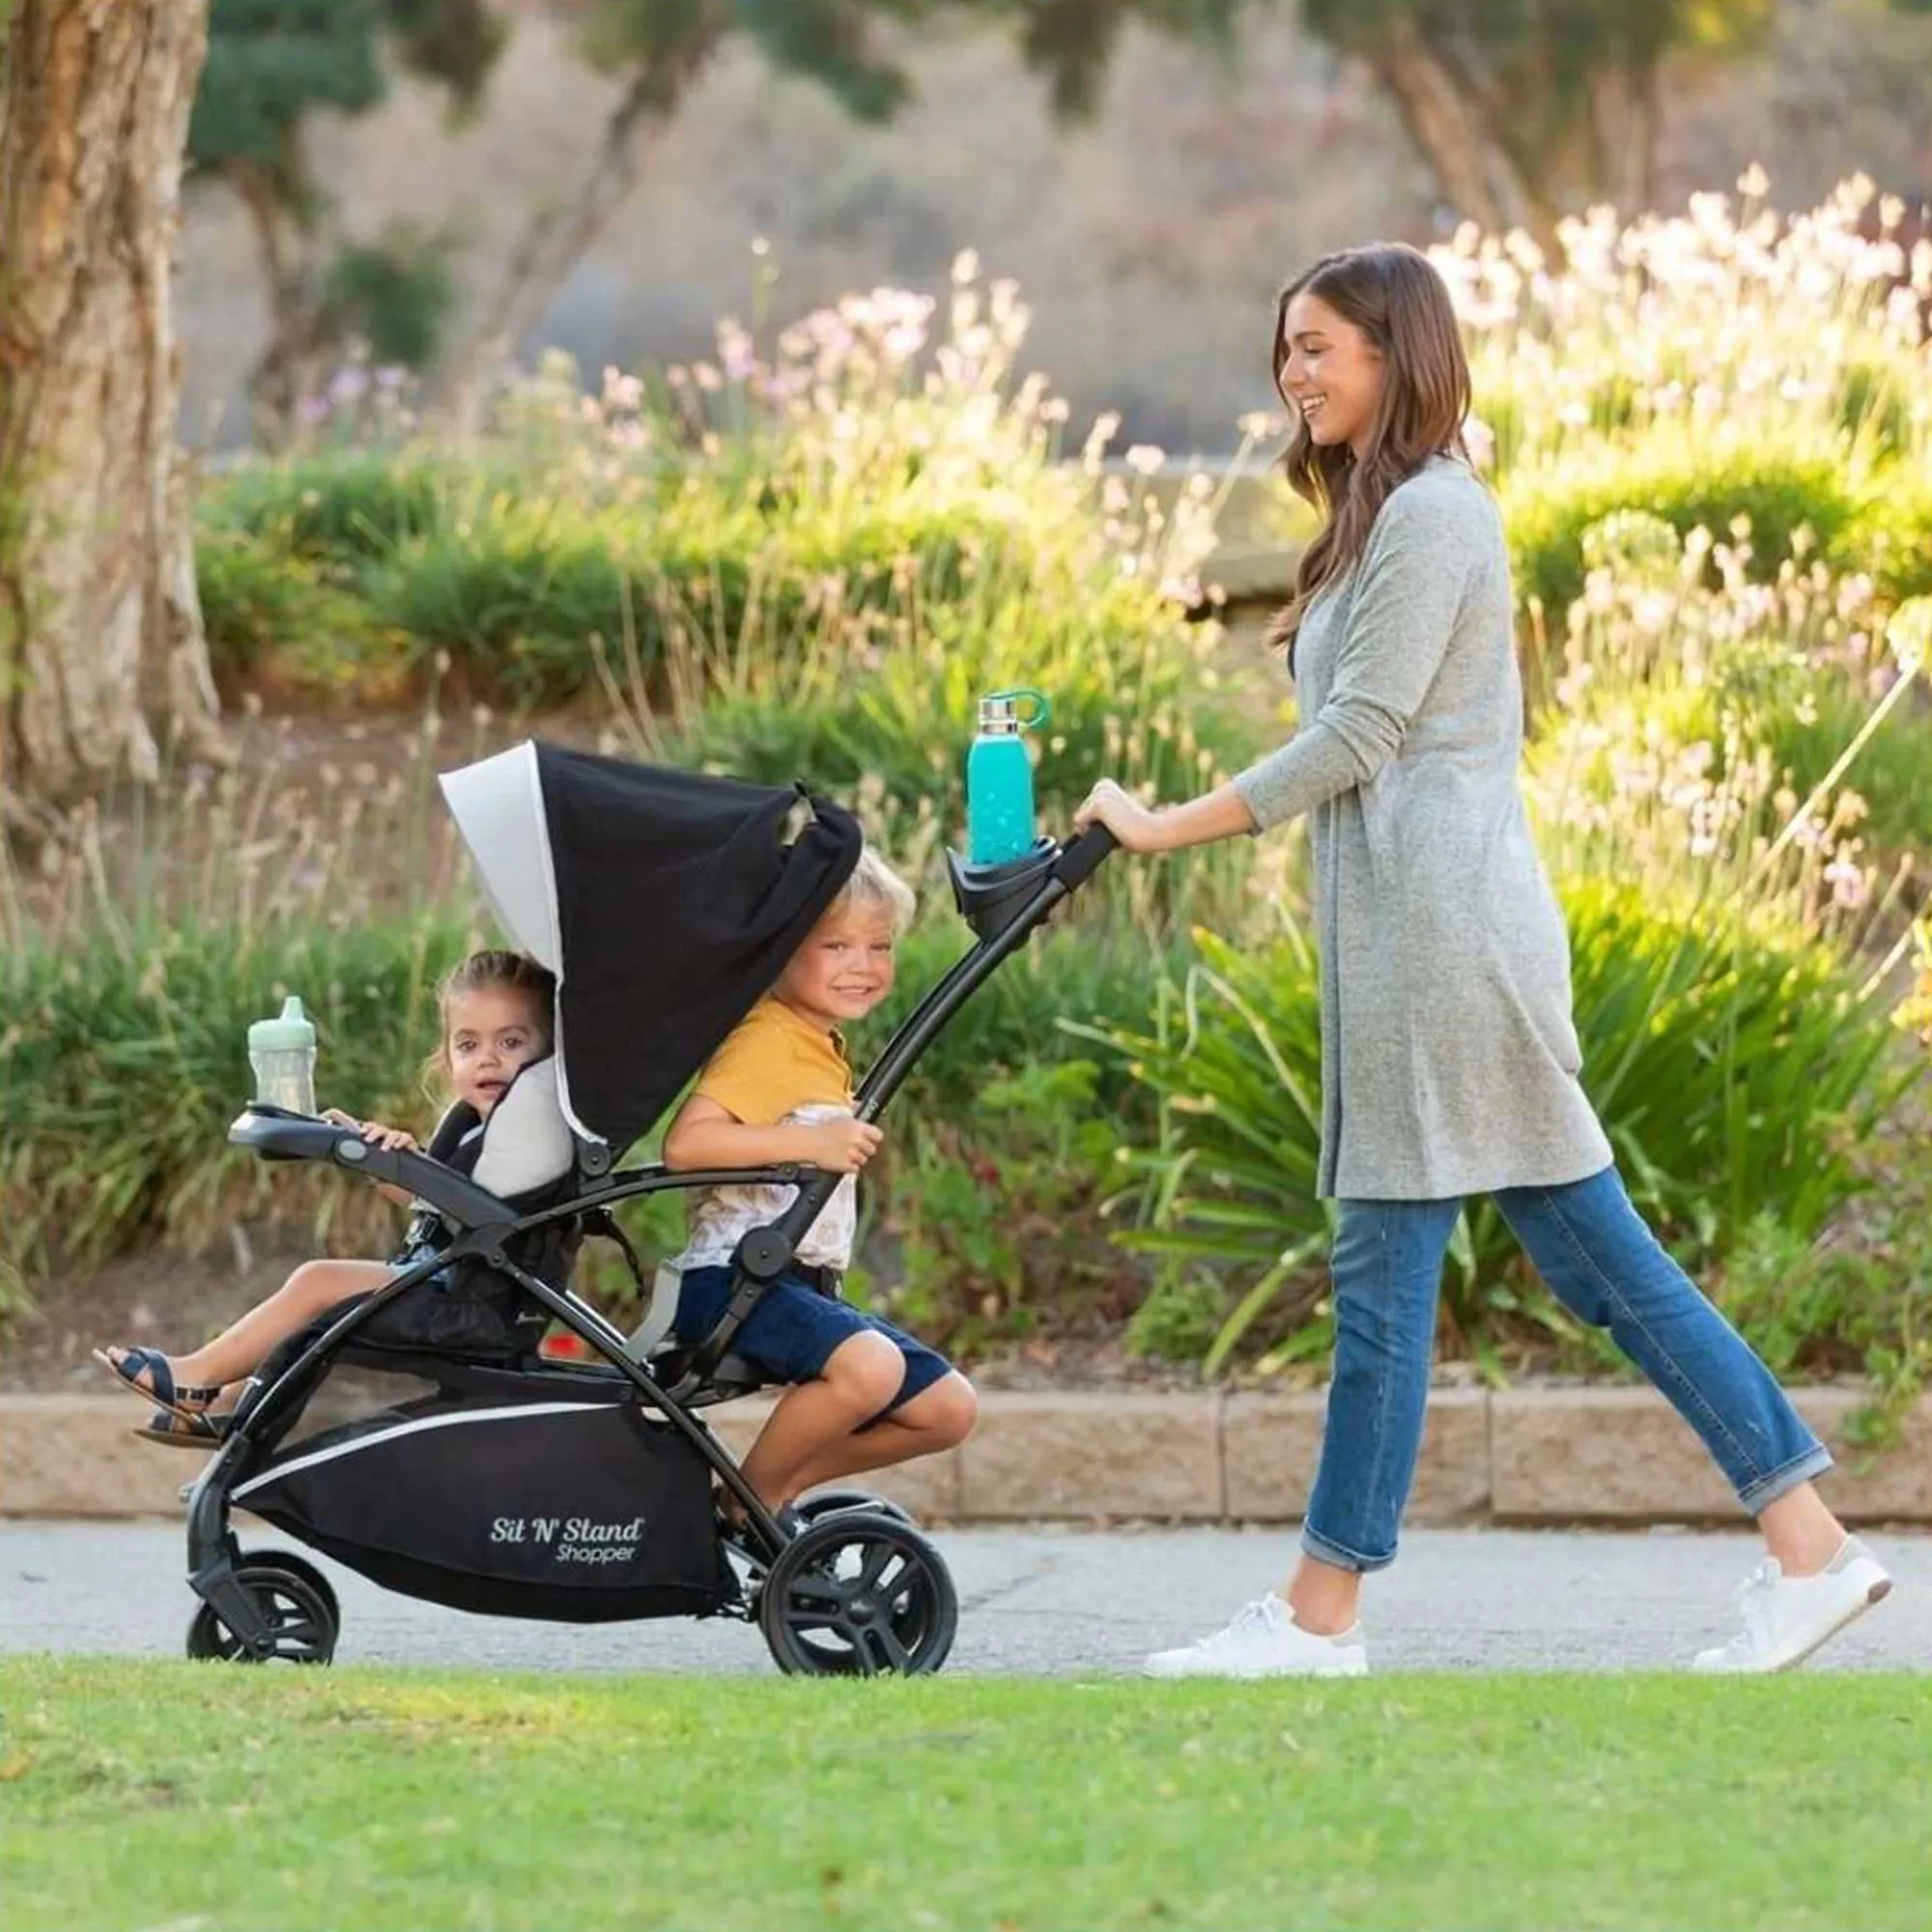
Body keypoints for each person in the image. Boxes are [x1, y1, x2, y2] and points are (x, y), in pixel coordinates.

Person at [1073, 242, 1892, 1678]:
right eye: (1287, 347)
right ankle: (1811, 1548)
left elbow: (1359, 737)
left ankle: (1324, 1620)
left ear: (1399, 353)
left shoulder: (1439, 513)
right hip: (1425, 938)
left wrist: (1160, 829)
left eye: (1320, 345)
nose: (1294, 370)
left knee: (1392, 1282)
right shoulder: (1390, 516)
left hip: (1442, 944)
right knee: (1596, 1268)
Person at [96, 949, 567, 1444]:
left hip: (474, 1313)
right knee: (319, 1302)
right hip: (452, 1293)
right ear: (446, 1058)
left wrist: (403, 1166)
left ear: (547, 1055)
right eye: (468, 1045)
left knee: (319, 1282)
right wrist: (383, 1159)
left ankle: (195, 1376)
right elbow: (439, 1207)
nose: (488, 1058)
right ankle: (230, 1400)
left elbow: (472, 1212)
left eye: (511, 1041)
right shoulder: (485, 1130)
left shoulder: (528, 1135)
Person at [661, 847, 978, 1529]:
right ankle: (752, 1501)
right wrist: (811, 1142)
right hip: (730, 1283)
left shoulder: (816, 1040)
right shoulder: (768, 1039)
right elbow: (688, 1145)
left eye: (879, 946)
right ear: (782, 952)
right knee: (869, 1370)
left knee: (946, 1408)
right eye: (836, 945)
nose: (863, 965)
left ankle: (761, 1489)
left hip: (791, 1286)